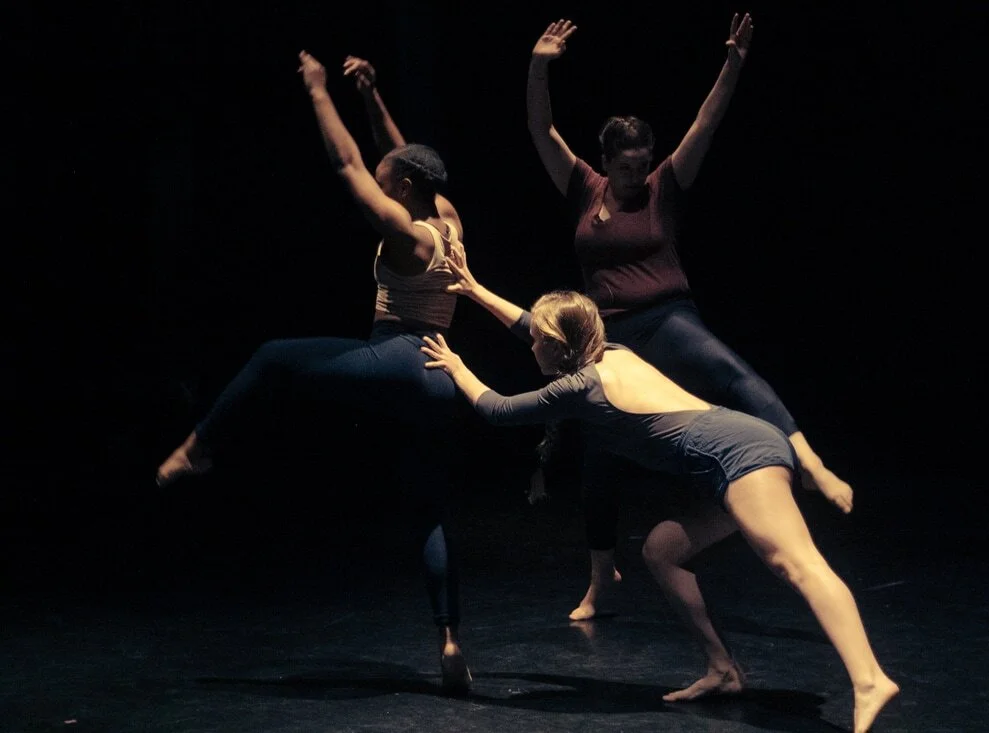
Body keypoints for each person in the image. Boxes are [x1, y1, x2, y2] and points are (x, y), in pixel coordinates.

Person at [419, 245, 898, 732]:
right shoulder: (612, 353)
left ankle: (869, 679)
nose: (531, 345)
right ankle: (723, 669)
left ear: (559, 345)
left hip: (740, 455)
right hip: (734, 451)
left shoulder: (581, 387)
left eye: (539, 341)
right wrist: (475, 290)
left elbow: (498, 409)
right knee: (663, 550)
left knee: (796, 563)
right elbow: (532, 325)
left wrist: (456, 366)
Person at [155, 50, 471, 694]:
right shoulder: (448, 220)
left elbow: (348, 164)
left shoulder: (407, 232)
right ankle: (449, 639)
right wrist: (371, 94)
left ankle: (198, 447)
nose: (380, 179)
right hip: (443, 380)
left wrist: (320, 91)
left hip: (402, 358)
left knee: (274, 356)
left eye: (388, 179)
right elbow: (398, 154)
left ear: (403, 188)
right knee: (428, 509)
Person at [526, 14, 856, 621]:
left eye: (641, 162)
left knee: (729, 370)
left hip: (667, 319)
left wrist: (732, 64)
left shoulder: (665, 187)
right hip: (608, 339)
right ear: (606, 160)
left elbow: (706, 123)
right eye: (625, 165)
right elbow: (540, 128)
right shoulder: (583, 187)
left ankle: (810, 462)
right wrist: (539, 66)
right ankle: (601, 580)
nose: (635, 174)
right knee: (600, 455)